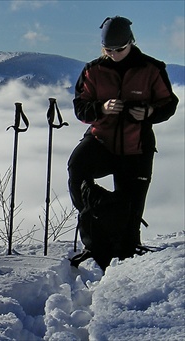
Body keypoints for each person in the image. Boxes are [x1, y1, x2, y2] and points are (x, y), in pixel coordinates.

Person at [68, 16, 179, 261]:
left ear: (131, 42)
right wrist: (102, 108)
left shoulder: (152, 68)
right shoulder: (93, 70)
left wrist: (150, 112)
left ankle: (127, 245)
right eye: (108, 50)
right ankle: (96, 234)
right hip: (101, 141)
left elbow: (169, 104)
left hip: (136, 146)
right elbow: (80, 108)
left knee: (132, 211)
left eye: (120, 49)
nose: (114, 54)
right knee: (77, 169)